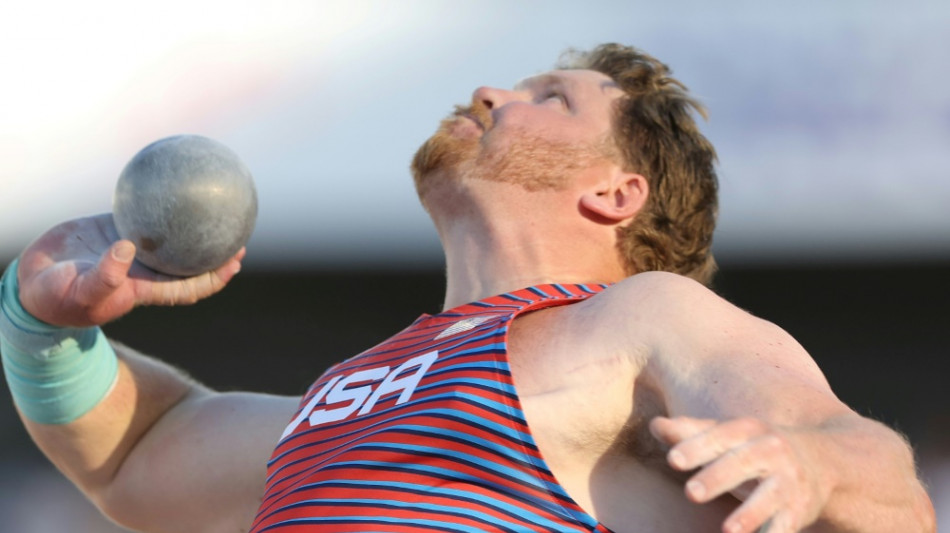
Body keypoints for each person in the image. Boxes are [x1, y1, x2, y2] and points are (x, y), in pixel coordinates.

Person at [0, 43, 936, 533]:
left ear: (616, 193)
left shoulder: (641, 319)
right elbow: (138, 456)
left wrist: (812, 469)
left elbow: (874, 472)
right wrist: (41, 322)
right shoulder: (343, 395)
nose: (489, 93)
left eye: (550, 97)